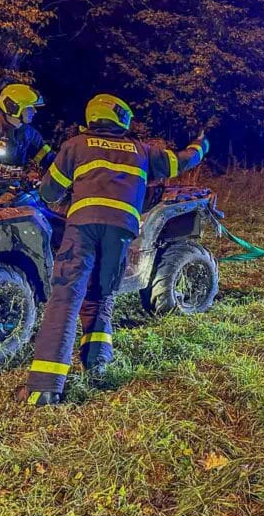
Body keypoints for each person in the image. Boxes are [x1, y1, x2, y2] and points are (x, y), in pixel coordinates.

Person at [20, 94, 209, 406]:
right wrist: (201, 144)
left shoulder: (76, 145)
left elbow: (49, 191)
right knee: (103, 294)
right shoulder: (143, 150)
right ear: (121, 118)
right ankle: (98, 364)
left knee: (67, 296)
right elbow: (180, 160)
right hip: (121, 231)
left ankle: (45, 387)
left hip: (82, 227)